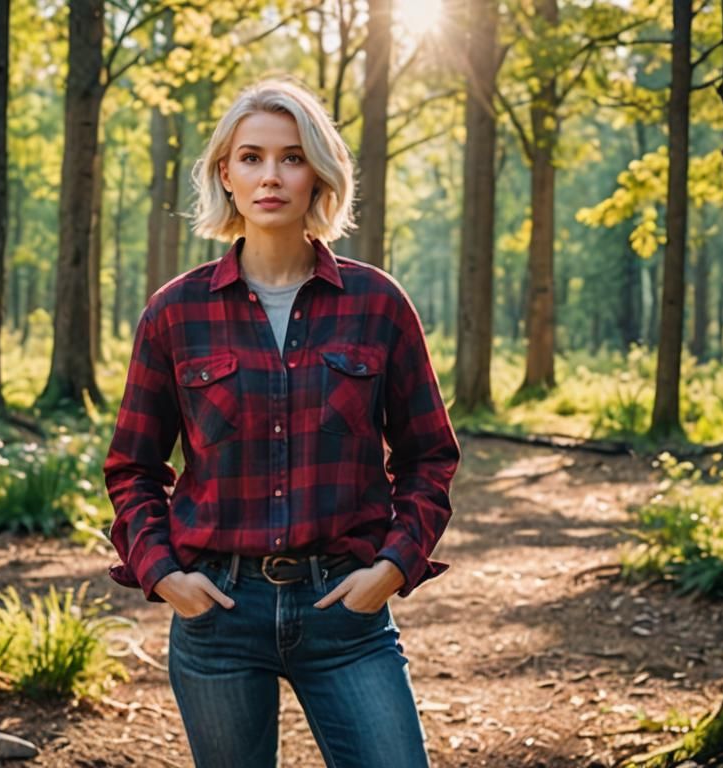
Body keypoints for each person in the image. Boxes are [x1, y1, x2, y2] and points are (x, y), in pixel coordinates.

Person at [103, 78, 460, 768]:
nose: (271, 175)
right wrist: (162, 573)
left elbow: (428, 457)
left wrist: (394, 566)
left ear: (319, 175)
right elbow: (133, 467)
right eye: (252, 158)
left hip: (345, 611)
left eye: (292, 157)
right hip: (218, 614)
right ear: (225, 175)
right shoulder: (175, 314)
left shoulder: (376, 303)